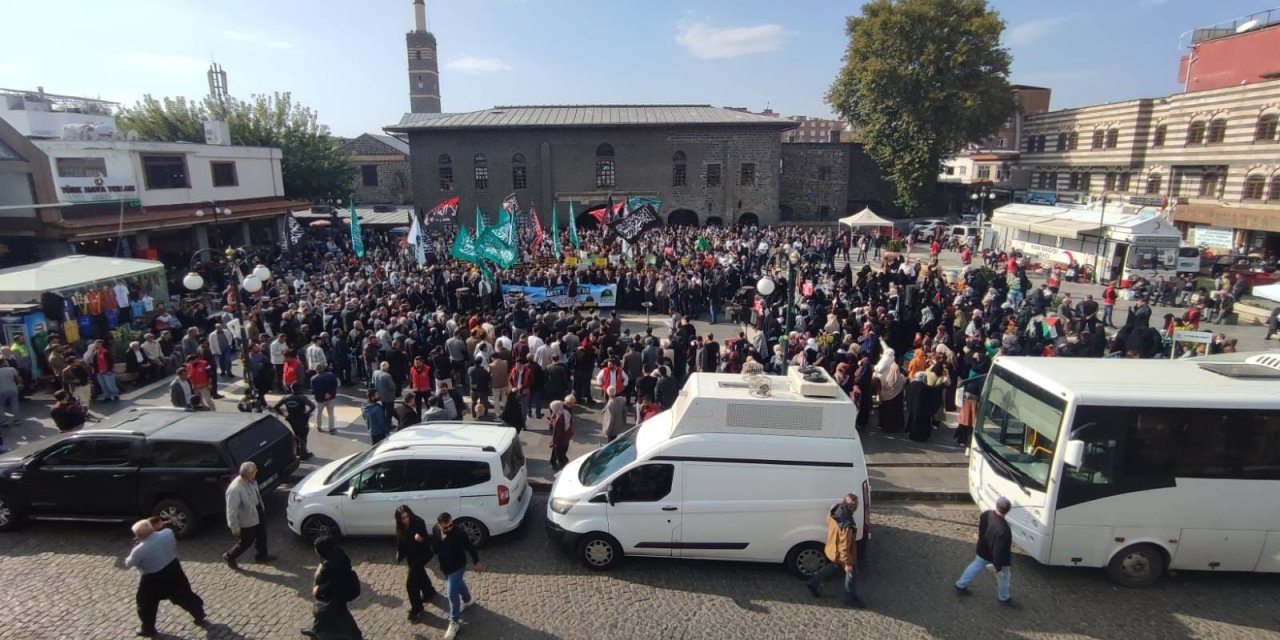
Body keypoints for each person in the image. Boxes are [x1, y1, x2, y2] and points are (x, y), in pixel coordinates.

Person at [124, 517, 206, 638]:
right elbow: (165, 529)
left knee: (146, 603)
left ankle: (148, 628)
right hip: (174, 569)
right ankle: (198, 612)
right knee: (183, 594)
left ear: (139, 536)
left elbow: (128, 563)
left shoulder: (139, 550)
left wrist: (137, 545)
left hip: (153, 579)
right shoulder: (167, 534)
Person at [805, 493, 866, 608]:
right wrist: (847, 563)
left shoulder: (835, 509)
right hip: (841, 552)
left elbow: (828, 521)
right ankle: (850, 598)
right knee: (851, 572)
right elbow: (844, 546)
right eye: (855, 505)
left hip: (832, 546)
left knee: (834, 566)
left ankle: (813, 583)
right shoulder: (847, 525)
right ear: (852, 507)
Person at [954, 496, 1015, 607]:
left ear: (997, 506)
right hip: (996, 557)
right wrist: (998, 566)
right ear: (1008, 510)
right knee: (1004, 577)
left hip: (983, 549)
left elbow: (982, 530)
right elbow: (999, 550)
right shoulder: (1004, 529)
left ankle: (960, 585)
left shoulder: (987, 514)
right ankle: (1004, 598)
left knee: (975, 566)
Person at [432, 512, 483, 640]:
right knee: (458, 583)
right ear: (439, 525)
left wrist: (476, 562)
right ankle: (467, 600)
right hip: (445, 566)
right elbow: (435, 546)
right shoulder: (435, 530)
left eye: (451, 525)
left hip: (458, 566)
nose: (449, 528)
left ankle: (454, 622)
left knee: (451, 593)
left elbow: (471, 547)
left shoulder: (459, 533)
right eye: (446, 527)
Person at [302, 535, 364, 639]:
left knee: (338, 613)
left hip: (339, 593)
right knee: (322, 613)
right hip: (343, 588)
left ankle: (355, 635)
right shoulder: (336, 552)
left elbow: (334, 583)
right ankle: (316, 629)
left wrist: (318, 589)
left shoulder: (331, 565)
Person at [222, 461, 271, 570]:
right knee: (247, 541)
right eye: (254, 471)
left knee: (262, 534)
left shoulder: (252, 480)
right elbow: (231, 510)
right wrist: (234, 528)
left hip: (257, 511)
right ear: (248, 474)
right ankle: (230, 556)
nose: (256, 472)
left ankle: (261, 556)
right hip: (246, 518)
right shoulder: (235, 489)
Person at [394, 505, 436, 621]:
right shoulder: (400, 526)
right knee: (420, 573)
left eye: (406, 517)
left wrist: (420, 539)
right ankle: (429, 591)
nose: (405, 520)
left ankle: (417, 609)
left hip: (421, 555)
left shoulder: (418, 522)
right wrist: (399, 552)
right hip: (410, 556)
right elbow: (400, 539)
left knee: (411, 584)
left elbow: (427, 541)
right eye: (402, 518)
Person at [274, 384, 317, 460]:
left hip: (291, 419)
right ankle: (304, 454)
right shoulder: (302, 398)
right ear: (300, 389)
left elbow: (276, 407)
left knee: (295, 435)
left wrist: (284, 415)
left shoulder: (286, 397)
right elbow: (312, 406)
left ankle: (297, 451)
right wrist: (307, 414)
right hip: (301, 419)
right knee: (303, 436)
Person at [311, 363, 339, 434]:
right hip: (331, 397)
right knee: (331, 414)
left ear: (316, 370)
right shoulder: (331, 375)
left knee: (318, 413)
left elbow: (315, 390)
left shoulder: (314, 378)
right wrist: (329, 393)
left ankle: (319, 426)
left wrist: (323, 394)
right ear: (323, 368)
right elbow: (335, 385)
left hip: (320, 399)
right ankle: (331, 428)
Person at [548, 397, 574, 472]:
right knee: (560, 452)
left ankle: (553, 461)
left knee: (557, 449)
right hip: (562, 436)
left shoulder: (564, 409)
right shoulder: (561, 415)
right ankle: (562, 467)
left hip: (563, 435)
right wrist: (553, 440)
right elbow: (556, 430)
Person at [0, 358, 21, 432]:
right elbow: (18, 378)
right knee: (15, 405)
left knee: (1, 406)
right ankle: (17, 420)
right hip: (12, 389)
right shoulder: (11, 369)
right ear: (3, 363)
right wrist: (20, 384)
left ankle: (4, 421)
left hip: (1, 391)